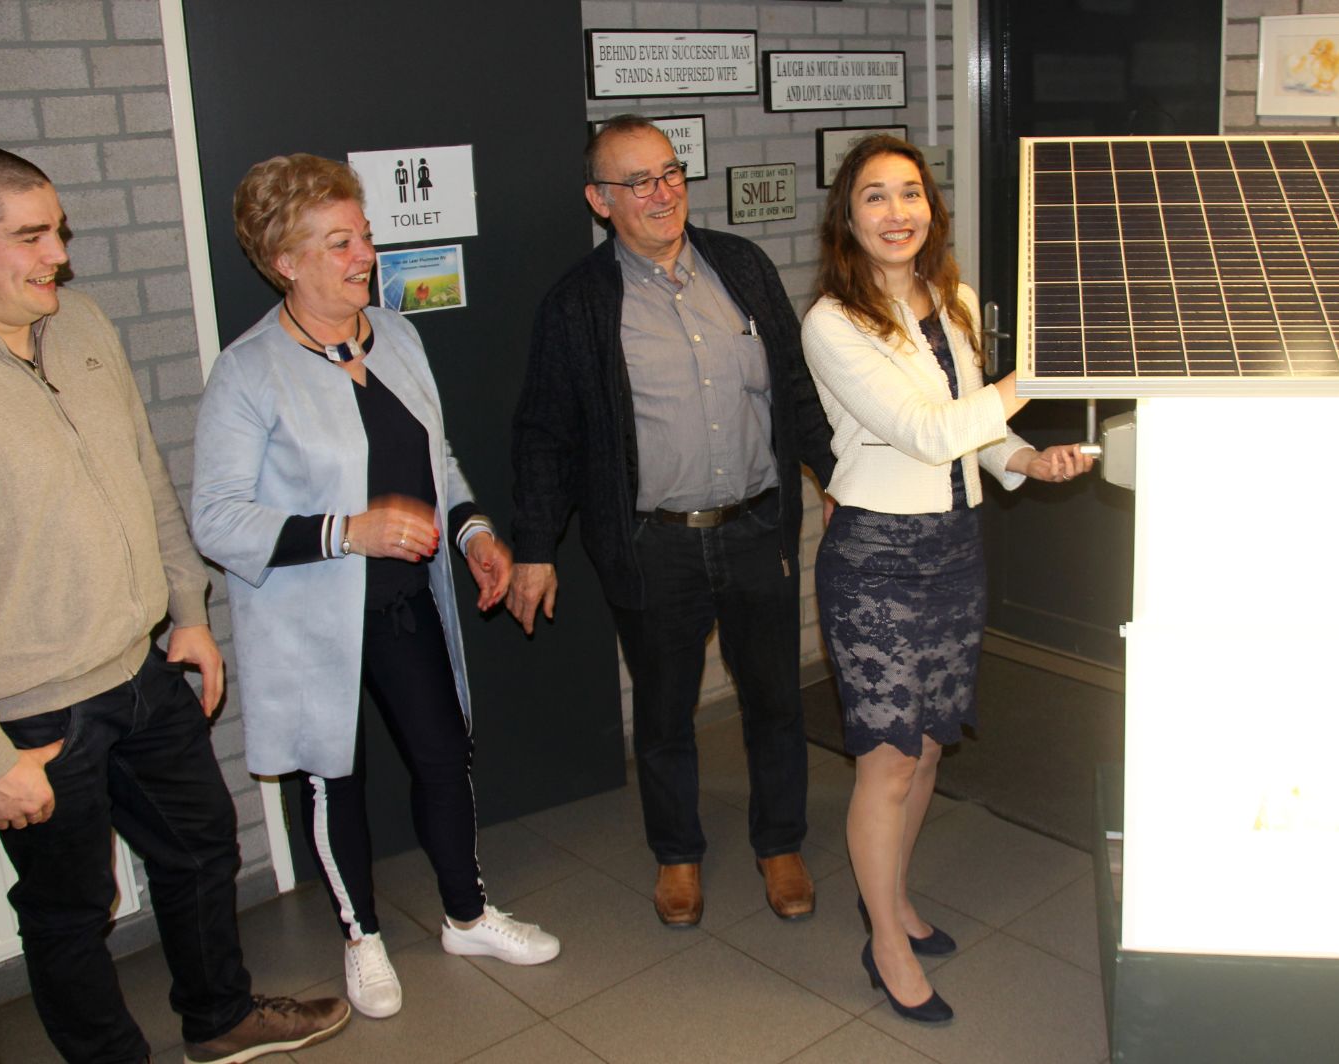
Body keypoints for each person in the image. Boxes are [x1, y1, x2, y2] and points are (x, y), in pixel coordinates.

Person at [0, 142, 350, 1063]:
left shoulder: (82, 323)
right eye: (31, 237)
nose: (59, 255)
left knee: (201, 846)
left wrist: (189, 612)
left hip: (140, 671)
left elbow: (143, 476)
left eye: (58, 230)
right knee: (70, 908)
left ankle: (219, 1019)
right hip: (31, 709)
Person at [191, 154, 559, 1022]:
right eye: (338, 243)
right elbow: (217, 519)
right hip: (307, 620)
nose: (364, 256)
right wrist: (347, 531)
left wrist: (472, 534)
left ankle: (466, 916)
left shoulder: (396, 336)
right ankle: (361, 937)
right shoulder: (248, 372)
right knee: (332, 777)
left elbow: (438, 461)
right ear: (284, 261)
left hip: (400, 605)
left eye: (363, 236)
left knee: (443, 753)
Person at [509, 115, 837, 927]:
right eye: (637, 182)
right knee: (663, 716)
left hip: (756, 528)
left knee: (776, 701)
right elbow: (546, 434)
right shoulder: (579, 305)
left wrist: (841, 478)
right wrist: (534, 547)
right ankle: (678, 856)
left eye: (670, 173)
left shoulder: (742, 267)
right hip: (655, 545)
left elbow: (795, 386)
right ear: (600, 201)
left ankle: (780, 843)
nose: (662, 194)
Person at [800, 135, 1094, 1023]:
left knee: (928, 748)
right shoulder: (833, 323)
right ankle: (884, 941)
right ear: (848, 217)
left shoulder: (954, 300)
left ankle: (893, 901)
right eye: (876, 196)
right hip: (877, 558)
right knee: (887, 762)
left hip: (956, 548)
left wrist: (1025, 461)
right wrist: (1034, 371)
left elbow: (971, 426)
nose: (898, 212)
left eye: (911, 193)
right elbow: (928, 433)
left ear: (932, 208)